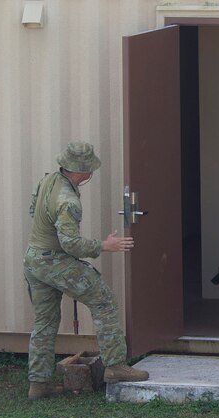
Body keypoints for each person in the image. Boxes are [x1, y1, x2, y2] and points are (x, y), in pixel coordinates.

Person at [24, 141, 149, 400]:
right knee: (104, 301)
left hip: (34, 260)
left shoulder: (47, 181)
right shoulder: (69, 201)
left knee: (44, 322)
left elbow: (32, 211)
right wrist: (105, 245)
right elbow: (70, 245)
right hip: (55, 262)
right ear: (84, 171)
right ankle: (115, 366)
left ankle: (39, 384)